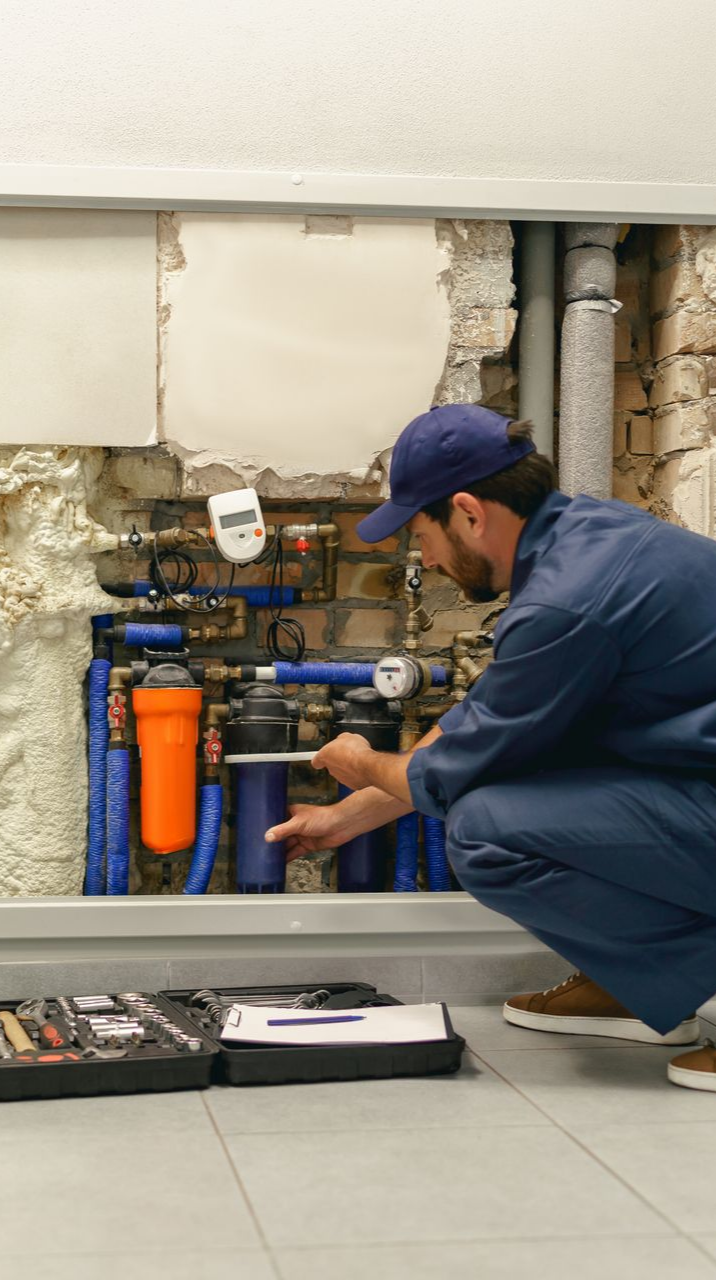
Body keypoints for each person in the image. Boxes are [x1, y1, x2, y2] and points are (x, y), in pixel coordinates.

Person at [265, 403, 716, 1092]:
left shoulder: (565, 602)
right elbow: (483, 729)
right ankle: (639, 984)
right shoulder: (590, 534)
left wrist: (355, 759)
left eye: (425, 535)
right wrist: (343, 818)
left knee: (483, 833)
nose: (429, 559)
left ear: (470, 513)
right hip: (696, 784)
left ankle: (684, 979)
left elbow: (446, 779)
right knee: (523, 781)